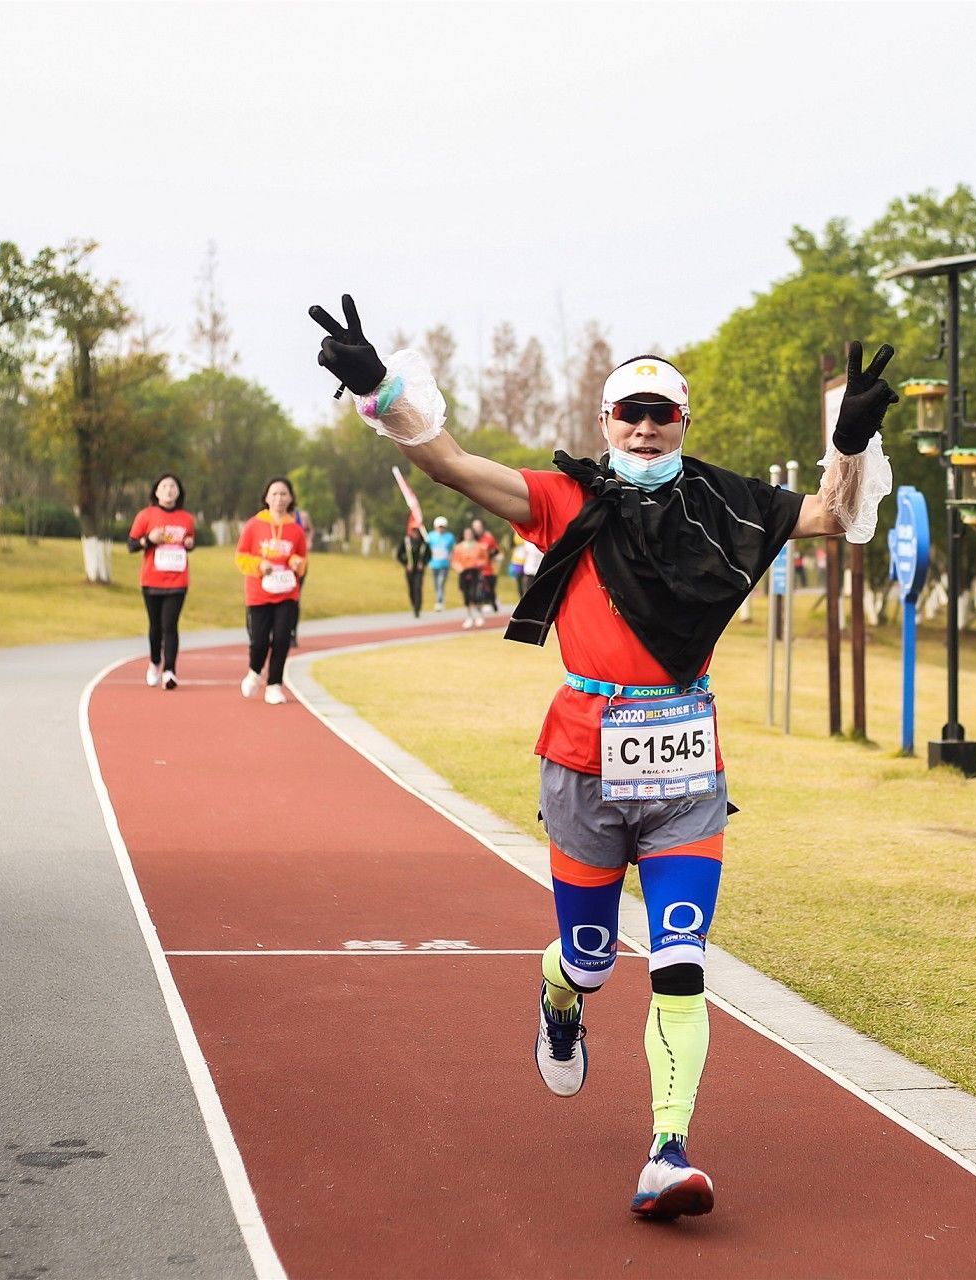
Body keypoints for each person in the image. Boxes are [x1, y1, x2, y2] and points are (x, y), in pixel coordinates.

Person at [310, 296, 896, 1219]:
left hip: (685, 769)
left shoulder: (728, 504)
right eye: (632, 411)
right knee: (589, 958)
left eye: (664, 413)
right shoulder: (564, 501)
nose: (648, 427)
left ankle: (667, 1151)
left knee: (679, 960)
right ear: (604, 421)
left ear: (685, 423)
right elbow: (453, 465)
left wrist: (851, 438)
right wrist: (380, 388)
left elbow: (833, 515)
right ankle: (561, 995)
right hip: (584, 756)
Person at [234, 477, 308, 706]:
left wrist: (296, 562)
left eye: (283, 494)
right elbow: (240, 556)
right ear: (266, 497)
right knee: (258, 641)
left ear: (291, 498)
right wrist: (259, 565)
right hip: (259, 594)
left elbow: (302, 559)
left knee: (282, 639)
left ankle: (274, 684)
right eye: (274, 494)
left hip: (287, 594)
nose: (279, 498)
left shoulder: (296, 530)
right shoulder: (253, 525)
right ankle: (255, 671)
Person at [128, 472, 196, 689]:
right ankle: (155, 662)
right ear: (156, 491)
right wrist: (148, 539)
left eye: (173, 486)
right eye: (164, 486)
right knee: (155, 626)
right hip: (151, 580)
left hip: (177, 581)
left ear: (179, 492)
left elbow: (191, 542)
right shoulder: (146, 516)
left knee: (170, 625)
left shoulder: (186, 518)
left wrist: (189, 543)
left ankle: (170, 671)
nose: (169, 490)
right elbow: (131, 545)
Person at [449, 524, 490, 629]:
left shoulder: (479, 546)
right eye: (466, 533)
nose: (468, 535)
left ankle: (478, 615)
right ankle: (469, 617)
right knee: (466, 595)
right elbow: (454, 561)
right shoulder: (458, 547)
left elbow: (485, 559)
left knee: (475, 594)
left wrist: (480, 563)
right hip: (464, 573)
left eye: (470, 533)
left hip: (475, 573)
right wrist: (458, 568)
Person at [396, 518, 430, 618]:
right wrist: (406, 564)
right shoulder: (406, 541)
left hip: (419, 571)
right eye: (413, 530)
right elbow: (399, 555)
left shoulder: (424, 543)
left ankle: (417, 609)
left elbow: (429, 556)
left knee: (418, 588)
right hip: (410, 570)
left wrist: (423, 563)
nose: (415, 532)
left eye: (417, 530)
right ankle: (413, 604)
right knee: (411, 589)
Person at [470, 518, 502, 613]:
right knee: (477, 586)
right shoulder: (471, 539)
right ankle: (482, 603)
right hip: (475, 568)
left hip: (488, 567)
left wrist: (490, 556)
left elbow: (496, 551)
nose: (477, 529)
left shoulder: (488, 538)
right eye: (475, 527)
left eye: (478, 526)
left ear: (482, 527)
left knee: (489, 587)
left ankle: (493, 601)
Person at [425, 515, 455, 611]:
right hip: (433, 564)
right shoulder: (430, 536)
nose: (441, 528)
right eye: (439, 526)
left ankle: (439, 602)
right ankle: (439, 600)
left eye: (442, 527)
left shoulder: (449, 537)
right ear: (436, 526)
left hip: (444, 564)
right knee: (436, 584)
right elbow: (426, 549)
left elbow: (454, 549)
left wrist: (451, 557)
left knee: (441, 583)